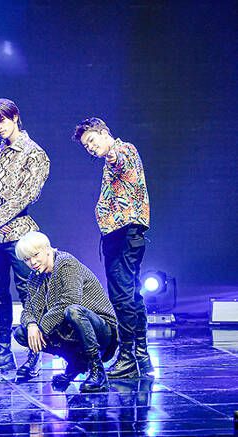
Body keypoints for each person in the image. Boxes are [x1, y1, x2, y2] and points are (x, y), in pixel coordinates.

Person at [72, 117, 153, 378]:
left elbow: (119, 159)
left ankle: (128, 357)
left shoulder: (122, 150)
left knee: (122, 297)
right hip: (124, 236)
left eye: (91, 140)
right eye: (86, 146)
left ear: (104, 132)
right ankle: (141, 356)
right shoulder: (117, 156)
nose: (90, 148)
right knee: (132, 295)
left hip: (123, 235)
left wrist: (111, 154)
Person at [0, 98, 50, 372]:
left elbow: (28, 194)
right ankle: (3, 350)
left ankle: (34, 353)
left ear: (15, 116)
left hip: (20, 233)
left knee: (28, 291)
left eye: (2, 120)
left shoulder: (34, 153)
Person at [13, 231, 118, 392]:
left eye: (35, 255)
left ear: (47, 249)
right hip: (73, 331)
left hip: (101, 330)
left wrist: (41, 328)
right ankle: (76, 362)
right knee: (21, 333)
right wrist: (32, 325)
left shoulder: (66, 263)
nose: (32, 262)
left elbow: (70, 300)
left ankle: (97, 371)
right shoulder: (35, 277)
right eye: (27, 259)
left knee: (73, 311)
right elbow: (28, 311)